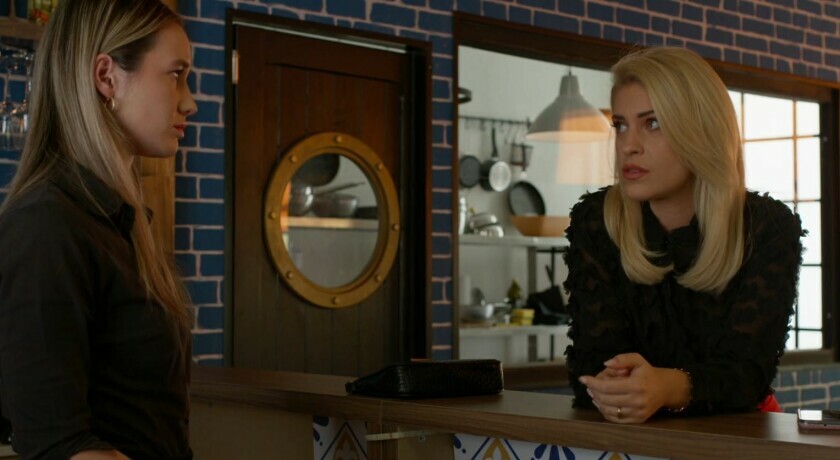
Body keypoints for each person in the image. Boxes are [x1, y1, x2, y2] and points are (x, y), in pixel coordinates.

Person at [0, 0, 197, 458]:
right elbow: (58, 444)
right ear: (106, 77)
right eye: (176, 74)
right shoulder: (45, 226)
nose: (189, 101)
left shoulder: (122, 223)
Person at [564, 47, 803, 424]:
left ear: (701, 130)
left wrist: (666, 388)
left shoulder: (767, 227)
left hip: (737, 437)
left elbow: (747, 376)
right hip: (622, 436)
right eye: (620, 125)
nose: (628, 145)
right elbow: (591, 367)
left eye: (653, 123)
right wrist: (618, 389)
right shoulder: (596, 220)